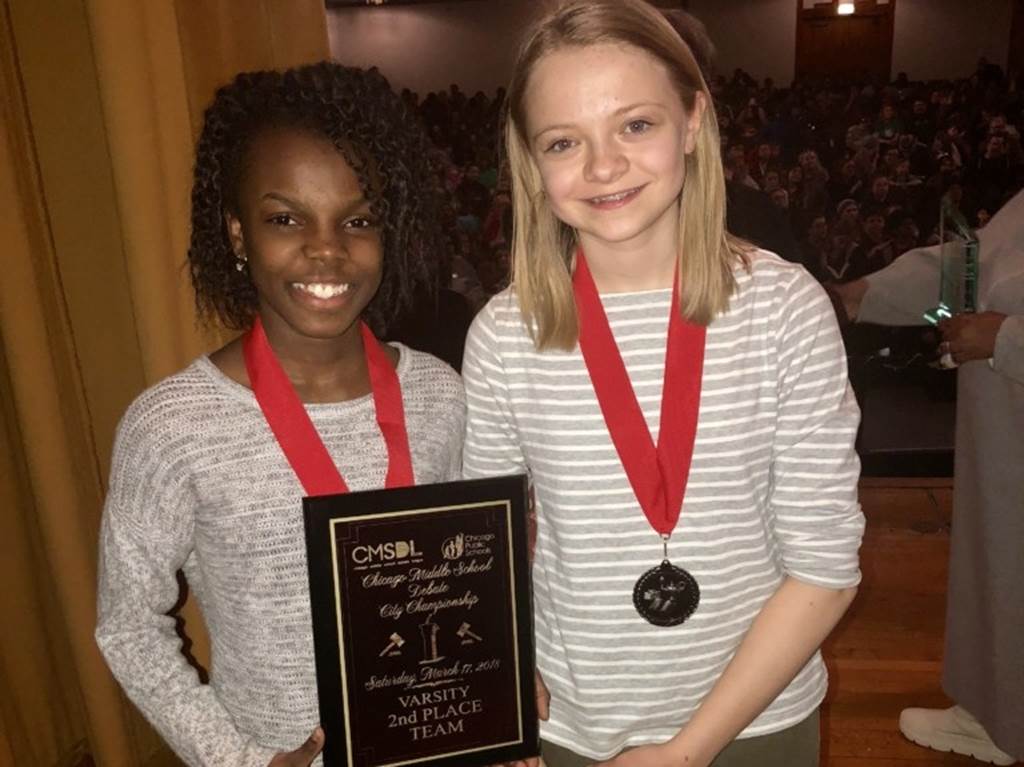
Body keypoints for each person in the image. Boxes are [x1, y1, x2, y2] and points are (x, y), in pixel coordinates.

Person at [461, 2, 864, 765]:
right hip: (565, 728)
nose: (603, 165)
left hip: (755, 724)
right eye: (564, 141)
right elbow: (491, 549)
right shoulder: (505, 337)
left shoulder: (784, 311)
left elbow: (825, 569)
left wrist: (685, 752)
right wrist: (502, 678)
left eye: (635, 125)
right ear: (530, 160)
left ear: (693, 122)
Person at [94, 63, 465, 766]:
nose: (326, 249)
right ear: (237, 234)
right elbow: (128, 625)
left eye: (357, 220)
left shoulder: (440, 395)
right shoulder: (173, 426)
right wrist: (237, 761)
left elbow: (471, 576)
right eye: (285, 218)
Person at [834, 190, 1024, 766]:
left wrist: (1008, 340)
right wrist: (856, 296)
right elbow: (967, 264)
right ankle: (1000, 712)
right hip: (1004, 440)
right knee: (1004, 570)